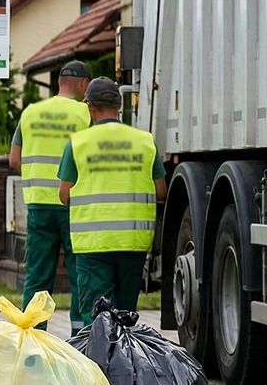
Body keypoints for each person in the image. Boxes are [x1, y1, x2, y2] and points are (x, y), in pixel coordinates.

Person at [58, 77, 167, 319]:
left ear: (90, 107)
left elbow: (64, 195)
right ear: (118, 106)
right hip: (133, 242)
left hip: (93, 244)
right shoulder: (145, 141)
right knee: (126, 315)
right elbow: (161, 191)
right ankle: (123, 356)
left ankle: (97, 357)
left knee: (98, 316)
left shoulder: (78, 143)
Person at [9, 60, 92, 331]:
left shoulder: (31, 112)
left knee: (37, 275)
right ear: (82, 84)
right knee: (79, 272)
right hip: (73, 204)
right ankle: (80, 334)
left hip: (39, 206)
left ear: (59, 83)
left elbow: (13, 159)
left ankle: (32, 334)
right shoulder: (85, 113)